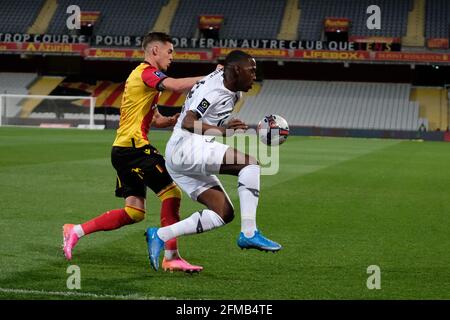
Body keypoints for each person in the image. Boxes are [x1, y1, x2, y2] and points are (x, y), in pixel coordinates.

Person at [63, 32, 212, 273]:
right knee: (172, 193)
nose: (172, 57)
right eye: (169, 51)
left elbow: (154, 119)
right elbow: (174, 84)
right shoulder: (146, 72)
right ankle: (171, 257)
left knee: (134, 212)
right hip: (134, 149)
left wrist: (170, 120)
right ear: (155, 51)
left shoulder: (143, 79)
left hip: (123, 149)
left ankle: (75, 230)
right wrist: (212, 78)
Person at [145, 50, 282, 271]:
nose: (255, 76)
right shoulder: (214, 90)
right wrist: (223, 131)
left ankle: (160, 234)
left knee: (223, 213)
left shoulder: (231, 87)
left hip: (182, 154)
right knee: (250, 165)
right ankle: (249, 232)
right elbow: (189, 122)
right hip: (186, 146)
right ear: (237, 70)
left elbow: (220, 71)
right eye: (252, 70)